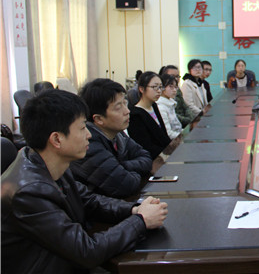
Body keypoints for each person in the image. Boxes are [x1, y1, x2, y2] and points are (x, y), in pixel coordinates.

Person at [1, 89, 168, 273]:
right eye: (82, 128)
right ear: (57, 139)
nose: (89, 134)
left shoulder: (47, 162)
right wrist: (141, 221)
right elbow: (87, 251)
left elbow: (89, 200)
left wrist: (134, 209)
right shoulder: (29, 191)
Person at [70, 78, 152, 199]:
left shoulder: (118, 135)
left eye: (125, 103)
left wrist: (122, 166)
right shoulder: (88, 144)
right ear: (98, 119)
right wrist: (127, 169)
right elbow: (127, 185)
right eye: (119, 107)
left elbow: (146, 158)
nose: (127, 111)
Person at [128, 71, 173, 160]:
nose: (159, 91)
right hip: (154, 161)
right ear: (141, 89)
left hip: (165, 155)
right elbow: (145, 147)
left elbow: (163, 135)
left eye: (160, 87)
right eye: (154, 87)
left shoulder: (154, 106)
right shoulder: (135, 115)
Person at [156, 74, 183, 141]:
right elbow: (168, 134)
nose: (174, 90)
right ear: (162, 87)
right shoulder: (161, 107)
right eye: (171, 87)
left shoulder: (170, 103)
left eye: (175, 87)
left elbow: (177, 127)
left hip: (178, 137)